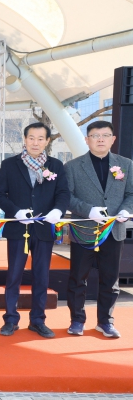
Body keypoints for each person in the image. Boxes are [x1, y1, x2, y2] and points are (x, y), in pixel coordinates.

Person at [0, 122, 70, 338]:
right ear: (25, 139)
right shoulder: (10, 164)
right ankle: (10, 319)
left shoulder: (56, 165)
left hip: (44, 229)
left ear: (47, 141)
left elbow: (63, 193)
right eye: (31, 138)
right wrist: (15, 211)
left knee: (41, 276)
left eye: (40, 138)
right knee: (14, 275)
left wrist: (58, 210)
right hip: (18, 228)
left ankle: (37, 320)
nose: (35, 142)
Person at [64, 120, 133, 338]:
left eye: (105, 135)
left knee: (110, 279)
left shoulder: (126, 164)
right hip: (83, 229)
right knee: (78, 277)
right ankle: (77, 320)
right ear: (87, 140)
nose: (100, 139)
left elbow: (131, 194)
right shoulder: (73, 166)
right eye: (95, 135)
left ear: (113, 139)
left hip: (113, 229)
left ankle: (105, 321)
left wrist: (126, 210)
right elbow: (66, 197)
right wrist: (88, 210)